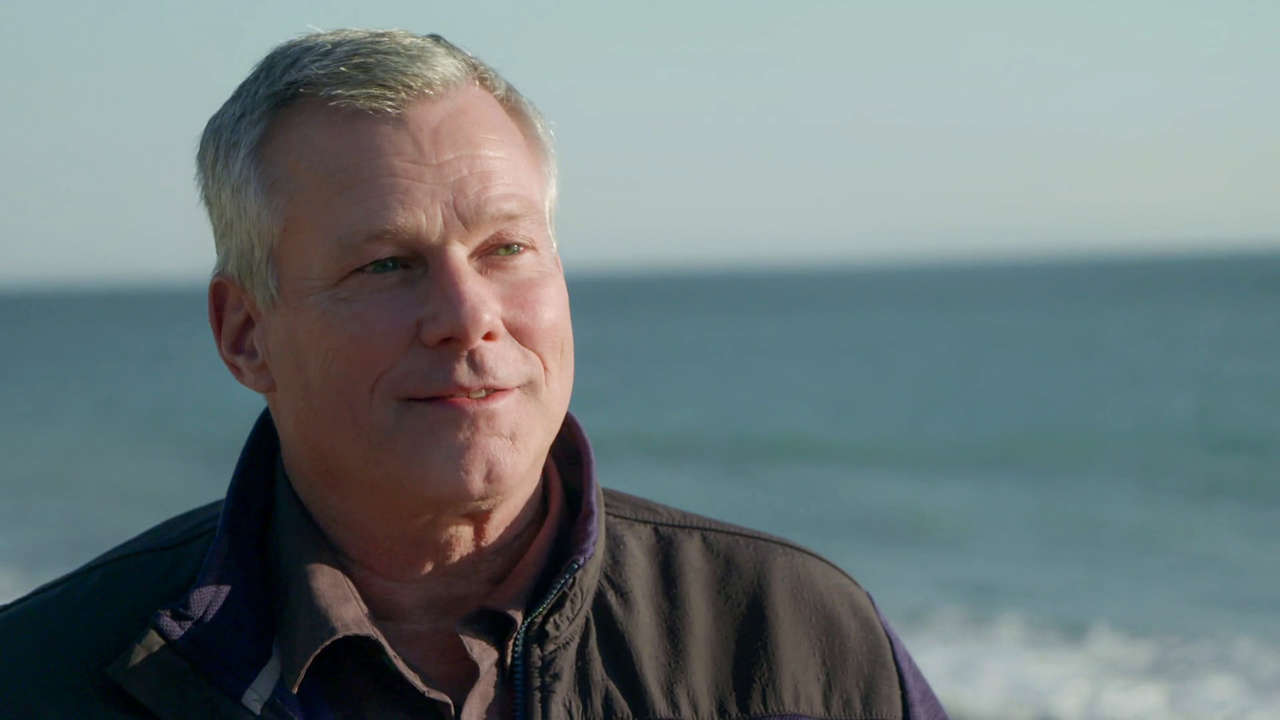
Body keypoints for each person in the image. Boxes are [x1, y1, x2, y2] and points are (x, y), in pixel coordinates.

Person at [0, 29, 948, 719]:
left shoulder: (791, 638)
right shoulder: (45, 677)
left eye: (506, 249)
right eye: (386, 265)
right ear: (246, 333)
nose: (467, 315)